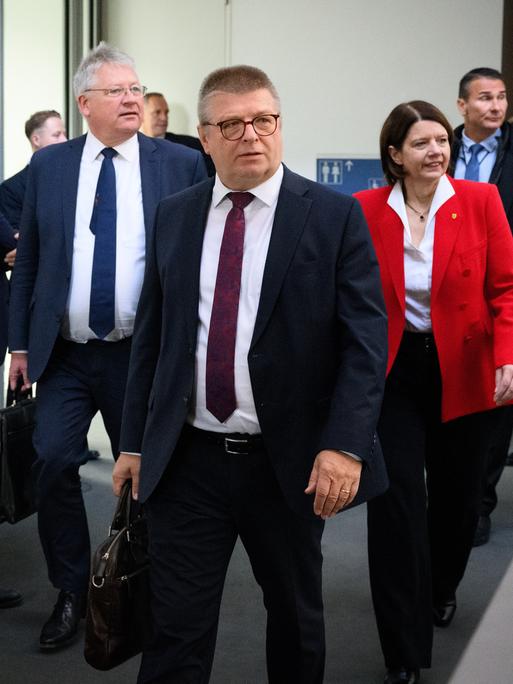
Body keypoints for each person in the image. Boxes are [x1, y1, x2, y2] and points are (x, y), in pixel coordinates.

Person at [113, 64, 388, 683]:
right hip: (188, 461)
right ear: (204, 138)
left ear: (280, 127)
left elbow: (366, 345)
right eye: (231, 125)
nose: (251, 135)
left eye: (264, 120)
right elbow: (152, 341)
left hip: (287, 462)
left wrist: (344, 446)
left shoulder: (332, 215)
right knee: (175, 626)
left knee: (294, 619)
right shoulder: (175, 216)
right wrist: (132, 441)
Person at [7, 41, 207, 652]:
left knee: (148, 476)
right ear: (84, 102)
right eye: (116, 91)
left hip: (139, 357)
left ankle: (142, 587)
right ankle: (72, 589)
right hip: (65, 354)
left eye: (134, 89)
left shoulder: (179, 165)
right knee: (51, 461)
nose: (131, 100)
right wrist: (18, 345)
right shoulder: (51, 166)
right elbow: (33, 259)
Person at [355, 100, 513, 684]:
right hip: (393, 372)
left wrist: (508, 356)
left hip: (465, 366)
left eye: (442, 141)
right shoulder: (364, 209)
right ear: (395, 155)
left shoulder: (480, 201)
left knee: (458, 501)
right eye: (421, 143)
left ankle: (442, 582)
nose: (437, 152)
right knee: (394, 504)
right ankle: (403, 650)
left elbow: (506, 288)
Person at [451, 67, 513, 546]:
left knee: (497, 398)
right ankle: (449, 494)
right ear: (462, 106)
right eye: (485, 98)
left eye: (502, 97)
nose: (495, 106)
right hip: (449, 291)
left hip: (505, 287)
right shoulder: (437, 147)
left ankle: (479, 503)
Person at [0, 110, 67, 232]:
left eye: (64, 134)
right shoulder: (11, 189)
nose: (65, 140)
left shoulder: (75, 179)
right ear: (36, 140)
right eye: (57, 135)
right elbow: (17, 238)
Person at [141, 91, 215, 175]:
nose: (164, 118)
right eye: (157, 112)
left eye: (166, 112)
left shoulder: (194, 146)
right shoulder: (132, 148)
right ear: (141, 115)